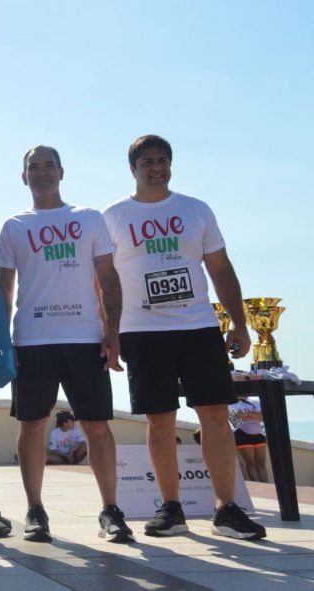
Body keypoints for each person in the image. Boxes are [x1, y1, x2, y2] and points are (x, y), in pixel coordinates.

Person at [104, 134, 265, 540]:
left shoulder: (196, 210)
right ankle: (171, 508)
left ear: (170, 165)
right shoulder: (113, 216)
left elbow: (221, 268)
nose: (156, 168)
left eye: (163, 160)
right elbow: (102, 281)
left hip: (198, 327)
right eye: (147, 162)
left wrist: (239, 323)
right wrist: (109, 332)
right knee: (160, 419)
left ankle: (227, 509)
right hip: (142, 332)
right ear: (133, 169)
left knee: (214, 415)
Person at [0, 146, 132, 543]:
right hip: (33, 340)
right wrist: (3, 342)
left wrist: (112, 332)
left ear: (61, 172)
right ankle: (35, 511)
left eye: (48, 166)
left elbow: (108, 279)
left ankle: (111, 511)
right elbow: (5, 288)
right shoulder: (13, 226)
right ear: (24, 177)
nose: (42, 173)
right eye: (33, 167)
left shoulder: (89, 219)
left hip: (85, 338)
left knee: (97, 427)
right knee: (33, 424)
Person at [229, 396, 269, 482]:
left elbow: (264, 416)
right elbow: (234, 420)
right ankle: (258, 486)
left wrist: (244, 415)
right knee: (251, 463)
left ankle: (267, 485)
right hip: (241, 434)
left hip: (259, 433)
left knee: (261, 463)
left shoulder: (255, 400)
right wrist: (254, 414)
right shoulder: (230, 402)